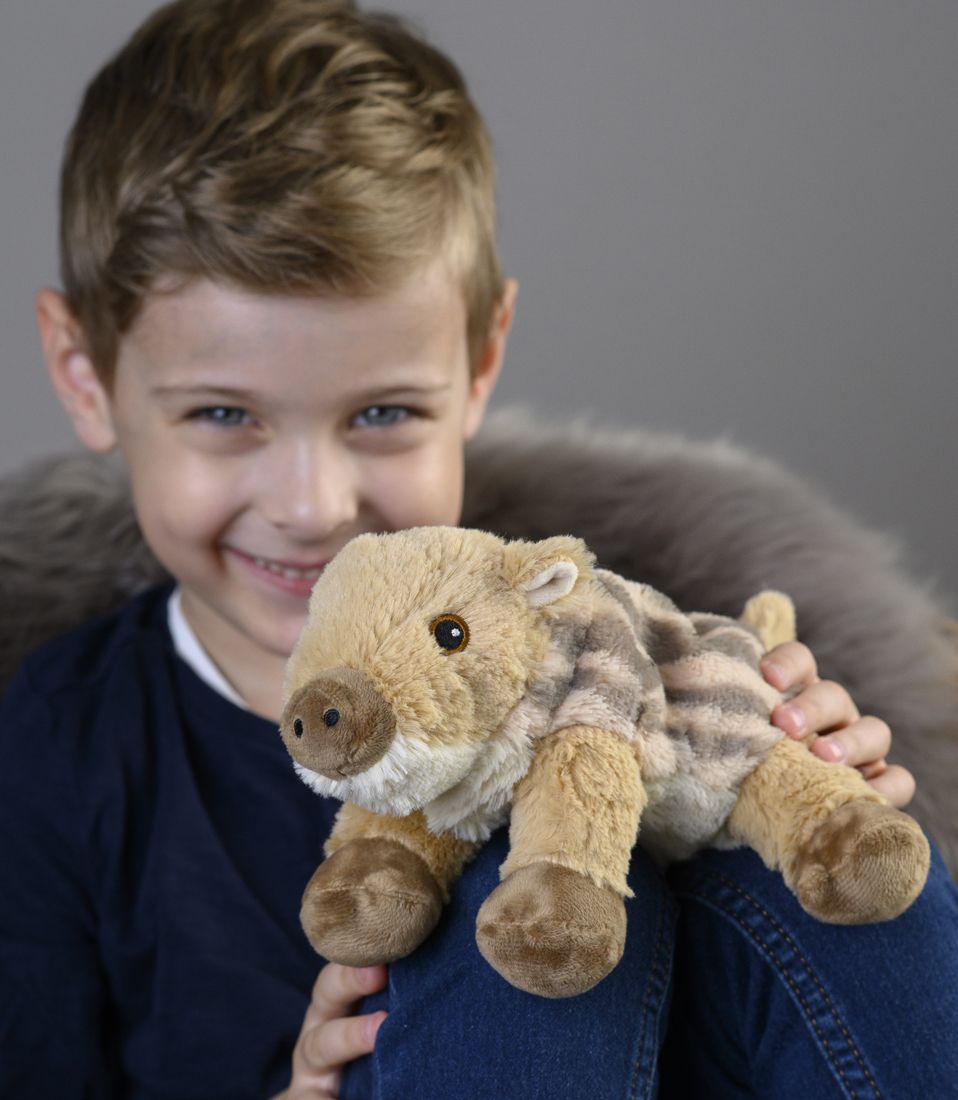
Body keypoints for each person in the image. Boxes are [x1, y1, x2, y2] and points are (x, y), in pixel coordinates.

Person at [0, 1, 955, 1097]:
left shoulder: (595, 625)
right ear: (85, 375)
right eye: (224, 415)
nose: (313, 505)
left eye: (382, 414)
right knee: (500, 887)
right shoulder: (61, 745)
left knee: (856, 897)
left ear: (482, 359)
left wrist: (791, 768)